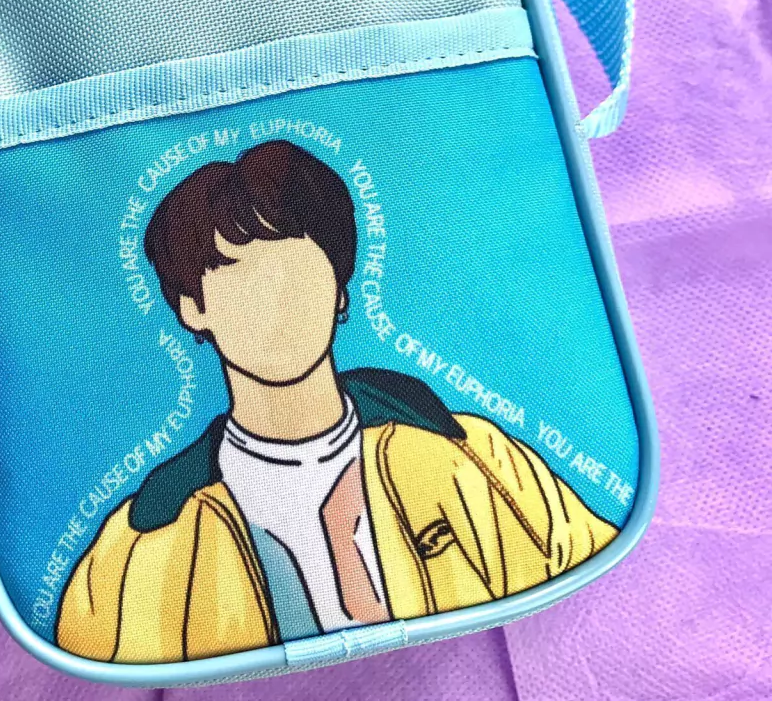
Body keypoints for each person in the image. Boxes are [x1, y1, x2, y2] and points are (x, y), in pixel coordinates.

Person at [56, 140, 617, 663]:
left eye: (298, 278)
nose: (278, 309)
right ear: (192, 308)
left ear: (339, 289)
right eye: (245, 283)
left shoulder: (468, 457)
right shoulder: (146, 540)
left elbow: (577, 551)